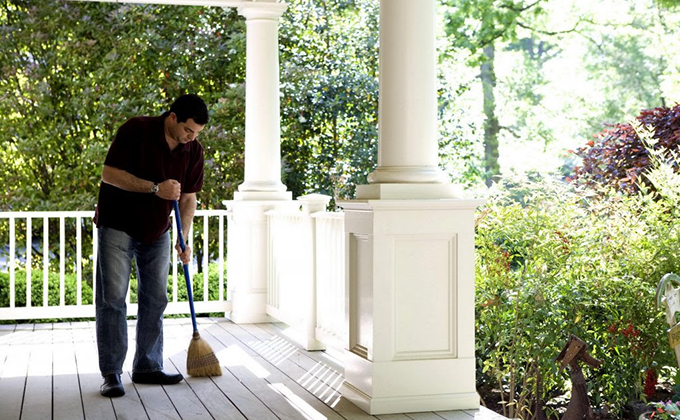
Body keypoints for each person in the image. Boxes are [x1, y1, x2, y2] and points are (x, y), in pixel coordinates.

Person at [94, 94, 208, 398]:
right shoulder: (136, 130)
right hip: (118, 224)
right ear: (172, 118)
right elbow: (109, 175)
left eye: (196, 133)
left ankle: (147, 365)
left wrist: (184, 235)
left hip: (158, 231)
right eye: (188, 130)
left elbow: (188, 198)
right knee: (113, 299)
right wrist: (155, 189)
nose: (191, 138)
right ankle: (112, 373)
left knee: (156, 298)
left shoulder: (193, 150)